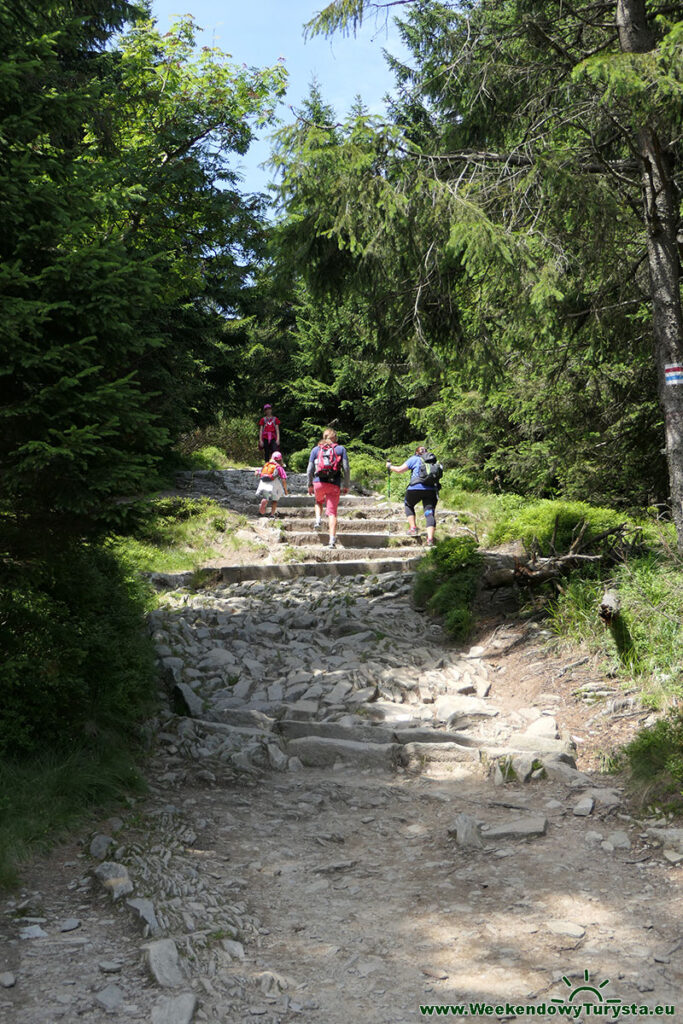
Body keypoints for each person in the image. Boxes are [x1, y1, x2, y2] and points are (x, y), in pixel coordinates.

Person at [386, 445, 443, 547]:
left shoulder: (414, 459)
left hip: (415, 488)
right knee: (429, 513)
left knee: (408, 504)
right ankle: (430, 540)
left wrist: (390, 467)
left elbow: (400, 470)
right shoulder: (433, 462)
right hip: (431, 490)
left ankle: (413, 528)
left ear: (417, 452)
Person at [306, 428, 350, 549]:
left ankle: (318, 520)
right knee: (332, 513)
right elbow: (346, 469)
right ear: (335, 438)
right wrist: (346, 485)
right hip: (334, 484)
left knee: (318, 501)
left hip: (318, 483)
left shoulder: (316, 449)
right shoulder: (341, 449)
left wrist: (309, 485)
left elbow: (309, 470)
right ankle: (331, 541)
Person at [255, 451, 287, 516]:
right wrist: (285, 490)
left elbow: (257, 472)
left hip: (263, 483)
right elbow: (283, 480)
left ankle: (264, 501)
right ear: (280, 459)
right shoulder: (279, 467)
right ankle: (272, 514)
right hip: (273, 484)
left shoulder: (266, 464)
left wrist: (256, 473)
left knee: (266, 496)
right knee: (275, 499)